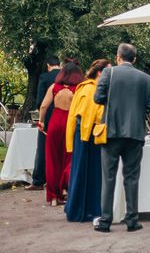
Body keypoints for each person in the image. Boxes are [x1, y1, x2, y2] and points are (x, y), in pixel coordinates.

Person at [93, 43, 150, 233]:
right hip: (135, 133)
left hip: (110, 132)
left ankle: (105, 221)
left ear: (118, 57)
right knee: (131, 177)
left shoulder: (108, 74)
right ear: (134, 59)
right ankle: (131, 220)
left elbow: (97, 98)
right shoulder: (146, 79)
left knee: (108, 177)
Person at [64, 59, 110, 222]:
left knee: (82, 171)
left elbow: (73, 115)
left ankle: (78, 208)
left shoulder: (83, 87)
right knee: (90, 173)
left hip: (82, 134)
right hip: (90, 135)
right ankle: (87, 209)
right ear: (100, 73)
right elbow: (96, 114)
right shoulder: (93, 88)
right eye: (108, 71)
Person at [38, 60, 84, 206]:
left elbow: (44, 105)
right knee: (69, 158)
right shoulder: (78, 89)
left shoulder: (54, 87)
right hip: (70, 123)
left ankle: (52, 196)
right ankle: (65, 190)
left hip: (54, 123)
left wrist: (41, 122)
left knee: (52, 159)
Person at [27, 56, 61, 191]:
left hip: (48, 117)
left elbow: (40, 101)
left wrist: (40, 118)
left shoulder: (45, 77)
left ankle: (39, 181)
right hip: (64, 116)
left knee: (42, 149)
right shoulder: (67, 76)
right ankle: (58, 181)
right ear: (59, 64)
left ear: (48, 65)